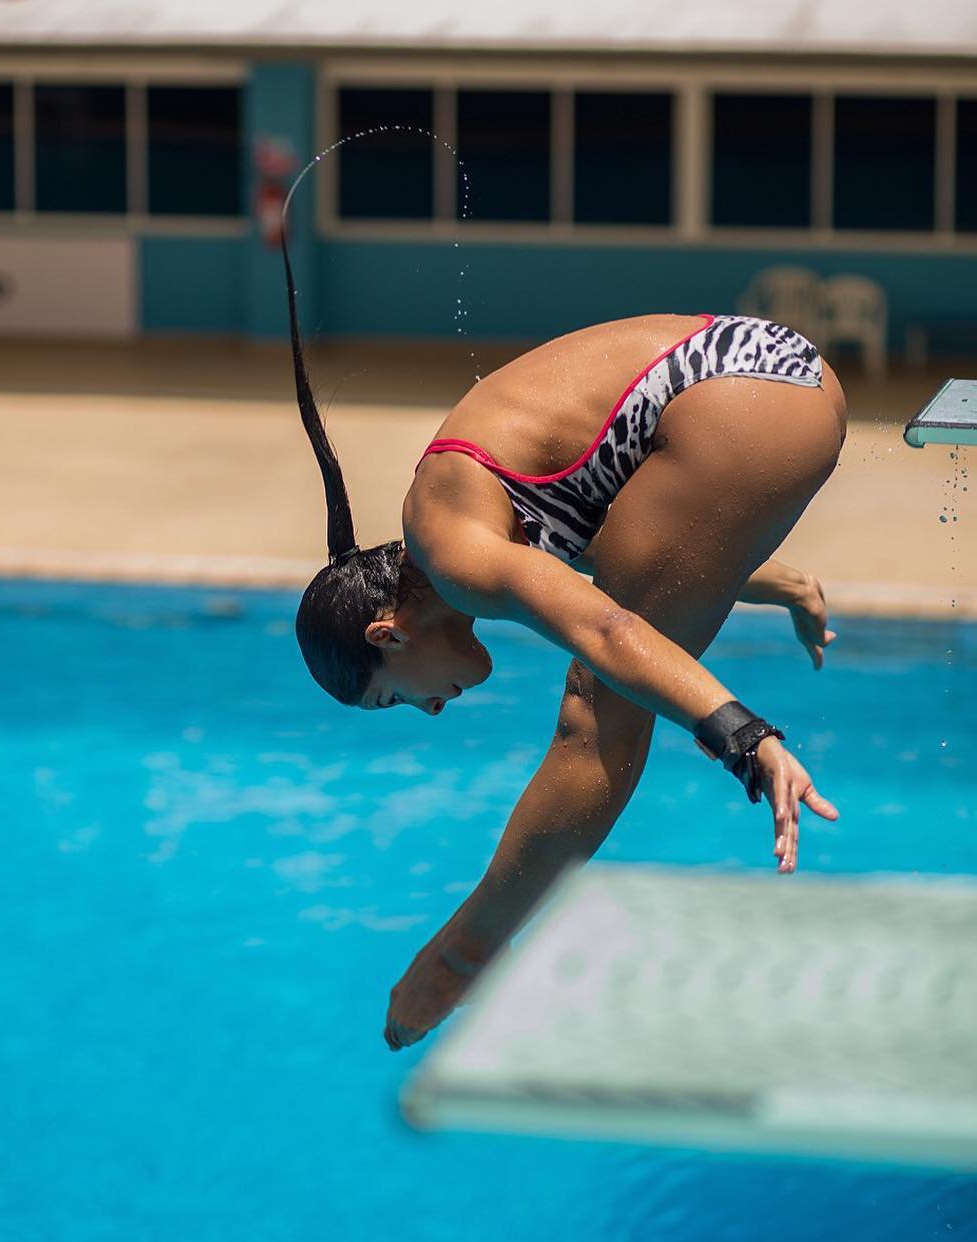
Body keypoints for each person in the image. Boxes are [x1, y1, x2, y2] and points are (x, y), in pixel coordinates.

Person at [281, 246, 847, 1052]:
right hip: (782, 375)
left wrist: (744, 738)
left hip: (740, 401)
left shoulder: (456, 557)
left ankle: (459, 957)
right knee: (616, 649)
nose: (431, 707)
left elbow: (612, 630)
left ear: (388, 634)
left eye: (395, 696)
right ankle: (466, 954)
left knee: (599, 705)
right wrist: (775, 580)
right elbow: (622, 539)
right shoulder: (459, 525)